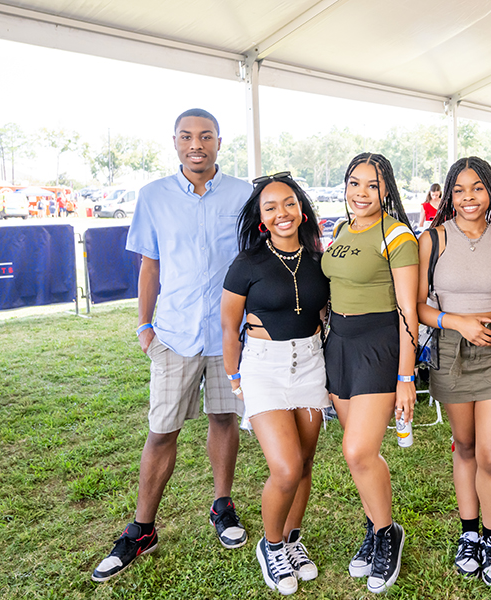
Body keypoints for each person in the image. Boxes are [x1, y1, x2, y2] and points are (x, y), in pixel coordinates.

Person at [92, 109, 253, 583]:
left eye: (205, 136)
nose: (196, 144)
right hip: (176, 335)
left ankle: (222, 505)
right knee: (162, 431)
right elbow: (150, 266)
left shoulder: (244, 195)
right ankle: (142, 528)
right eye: (186, 136)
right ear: (175, 142)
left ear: (219, 142)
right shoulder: (153, 196)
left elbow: (253, 259)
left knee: (223, 418)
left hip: (228, 335)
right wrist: (145, 326)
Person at [417, 156, 491, 588]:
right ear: (447, 195)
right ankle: (469, 534)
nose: (467, 198)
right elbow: (419, 307)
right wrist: (455, 321)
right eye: (458, 190)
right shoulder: (434, 239)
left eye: (477, 188)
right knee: (464, 446)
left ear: (490, 193)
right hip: (451, 350)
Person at [221, 173, 330, 595]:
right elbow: (229, 328)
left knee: (304, 464)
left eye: (288, 204)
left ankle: (292, 539)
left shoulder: (320, 259)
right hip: (263, 369)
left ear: (301, 209)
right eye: (270, 208)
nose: (281, 213)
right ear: (262, 218)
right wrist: (235, 379)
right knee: (284, 468)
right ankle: (271, 545)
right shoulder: (247, 263)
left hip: (310, 364)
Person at [321, 152, 418, 594]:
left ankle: (387, 535)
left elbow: (407, 312)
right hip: (337, 344)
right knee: (356, 454)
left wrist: (405, 377)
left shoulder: (397, 234)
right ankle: (375, 524)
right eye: (354, 183)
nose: (361, 193)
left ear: (386, 190)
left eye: (372, 185)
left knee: (359, 451)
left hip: (378, 346)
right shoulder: (341, 230)